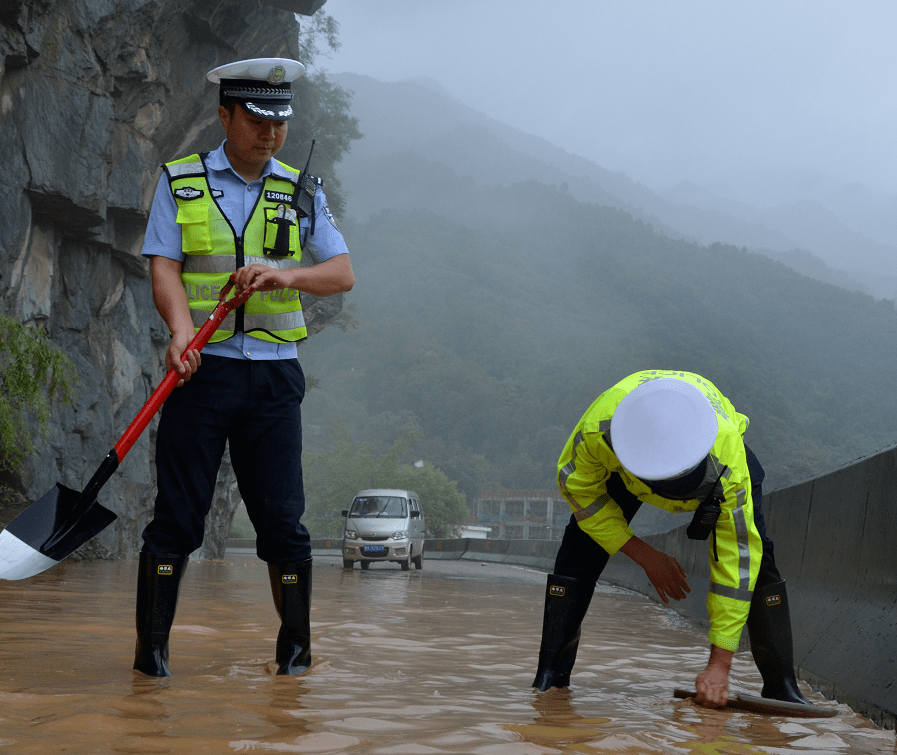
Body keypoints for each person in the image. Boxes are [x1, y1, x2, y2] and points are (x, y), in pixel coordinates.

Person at [134, 57, 354, 677]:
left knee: (283, 523)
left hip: (274, 379)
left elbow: (341, 273)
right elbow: (165, 266)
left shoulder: (301, 190)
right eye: (256, 120)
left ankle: (295, 659)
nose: (270, 133)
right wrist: (181, 332)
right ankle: (151, 660)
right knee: (176, 520)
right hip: (200, 373)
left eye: (279, 122)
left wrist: (285, 273)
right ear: (225, 115)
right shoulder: (181, 181)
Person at [532, 370, 809, 709]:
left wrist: (719, 666)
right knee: (578, 550)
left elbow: (736, 562)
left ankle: (782, 687)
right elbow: (578, 489)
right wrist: (642, 554)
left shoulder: (728, 463)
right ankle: (550, 679)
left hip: (716, 477)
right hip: (626, 470)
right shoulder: (599, 433)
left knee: (757, 557)